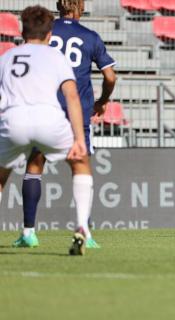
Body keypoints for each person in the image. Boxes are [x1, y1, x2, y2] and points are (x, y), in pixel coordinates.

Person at [12, 0, 116, 249]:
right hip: (76, 111)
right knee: (81, 166)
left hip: (45, 108)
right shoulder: (90, 36)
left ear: (58, 6)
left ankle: (28, 232)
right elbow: (110, 76)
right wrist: (102, 101)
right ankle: (86, 233)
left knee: (35, 166)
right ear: (80, 7)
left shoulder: (46, 32)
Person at [0, 5, 88, 255]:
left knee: (1, 175)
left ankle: (28, 232)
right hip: (48, 119)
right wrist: (79, 138)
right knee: (80, 162)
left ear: (21, 32)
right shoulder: (55, 56)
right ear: (50, 34)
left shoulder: (6, 57)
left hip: (13, 120)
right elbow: (71, 96)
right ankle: (82, 227)